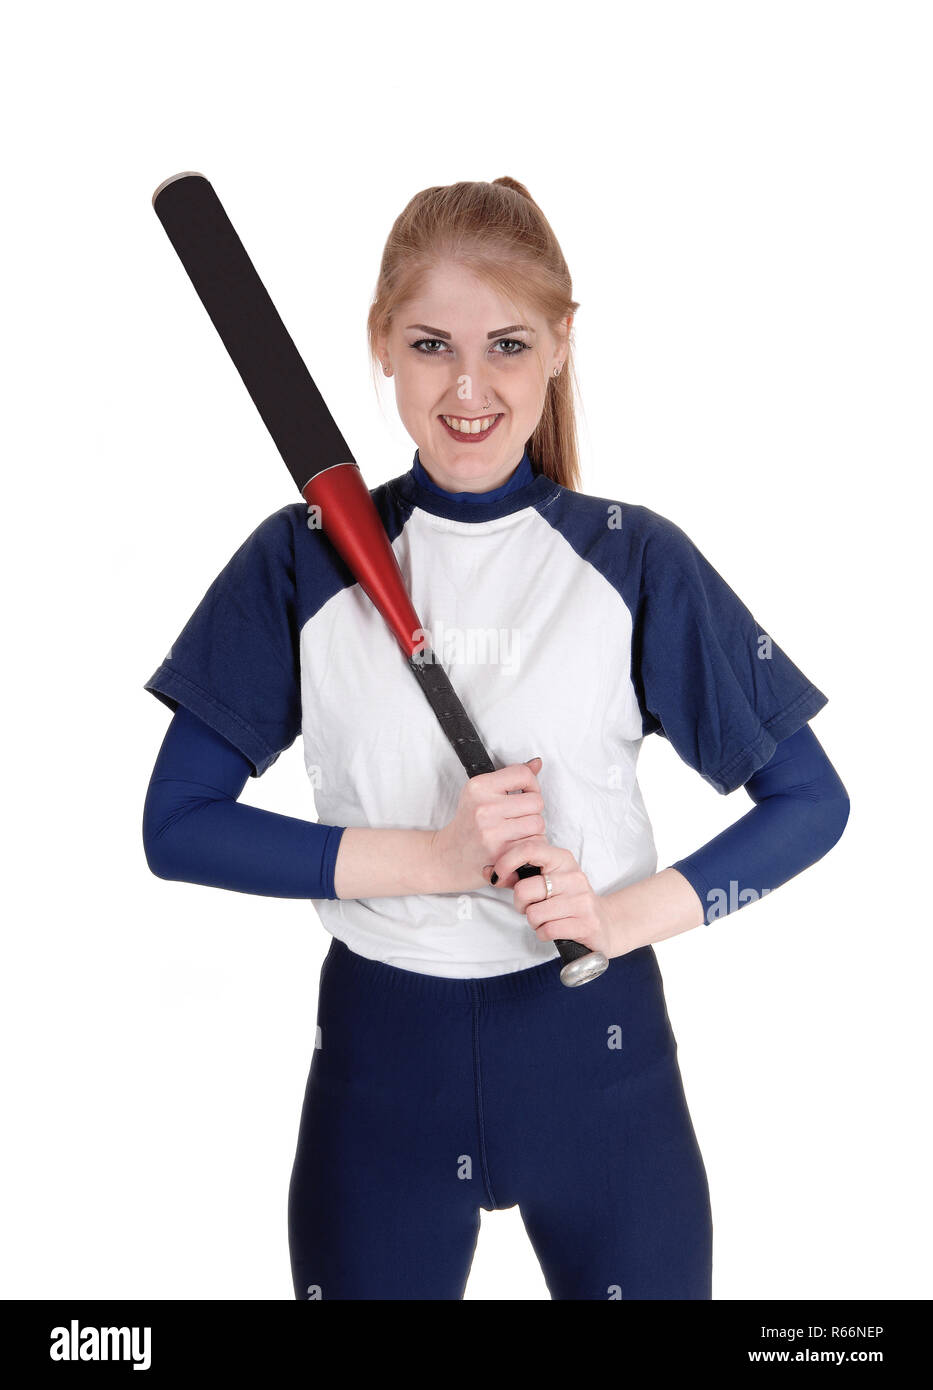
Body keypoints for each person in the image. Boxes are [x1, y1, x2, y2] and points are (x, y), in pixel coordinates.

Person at [142, 177, 850, 1300]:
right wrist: (431, 858)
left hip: (601, 1065)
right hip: (382, 1073)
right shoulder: (303, 558)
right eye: (431, 345)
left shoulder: (634, 561)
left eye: (508, 345)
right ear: (382, 344)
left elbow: (813, 802)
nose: (469, 389)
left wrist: (617, 917)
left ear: (562, 343)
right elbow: (176, 828)